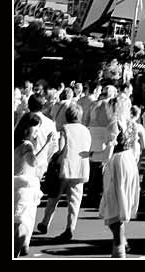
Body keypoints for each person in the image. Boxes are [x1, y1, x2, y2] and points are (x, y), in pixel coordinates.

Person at [37, 101, 91, 242]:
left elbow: (60, 149)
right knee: (74, 201)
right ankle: (70, 228)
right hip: (80, 169)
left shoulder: (65, 129)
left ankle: (45, 222)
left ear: (67, 116)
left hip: (65, 167)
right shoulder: (86, 130)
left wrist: (54, 158)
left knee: (54, 197)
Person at [99, 112, 141, 258]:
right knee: (119, 204)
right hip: (128, 160)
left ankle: (119, 248)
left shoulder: (114, 125)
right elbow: (136, 147)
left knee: (114, 205)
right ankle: (121, 243)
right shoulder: (131, 124)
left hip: (118, 163)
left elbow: (108, 151)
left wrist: (91, 155)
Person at [14, 114, 43, 256]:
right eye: (35, 129)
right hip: (24, 188)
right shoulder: (27, 145)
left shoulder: (15, 142)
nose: (37, 133)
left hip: (15, 184)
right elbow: (33, 163)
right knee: (22, 223)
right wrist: (46, 145)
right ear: (27, 129)